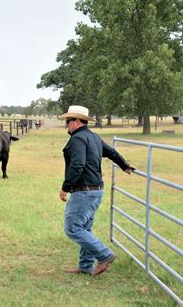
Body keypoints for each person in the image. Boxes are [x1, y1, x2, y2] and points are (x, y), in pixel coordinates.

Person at [58, 105, 135, 276]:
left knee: (73, 227)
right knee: (84, 227)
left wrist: (65, 188)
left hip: (83, 191)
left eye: (68, 121)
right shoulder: (94, 137)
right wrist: (125, 166)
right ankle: (85, 265)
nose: (67, 125)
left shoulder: (78, 139)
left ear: (77, 121)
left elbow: (78, 164)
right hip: (96, 190)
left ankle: (104, 255)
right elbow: (112, 153)